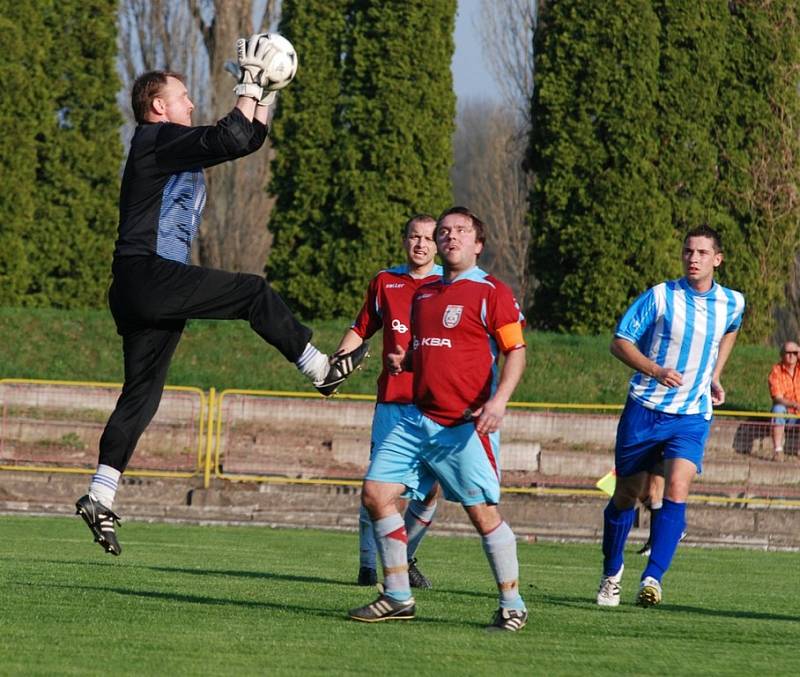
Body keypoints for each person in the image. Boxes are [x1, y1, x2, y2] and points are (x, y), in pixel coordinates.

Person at [75, 35, 367, 556]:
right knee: (253, 292)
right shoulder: (154, 137)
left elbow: (245, 140)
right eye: (182, 95)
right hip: (149, 275)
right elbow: (230, 132)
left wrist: (267, 92)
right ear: (158, 106)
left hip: (138, 285)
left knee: (141, 395)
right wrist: (249, 83)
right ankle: (319, 369)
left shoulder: (169, 145)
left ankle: (101, 492)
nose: (190, 102)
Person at [348, 206, 529, 632]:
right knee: (376, 493)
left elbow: (515, 351)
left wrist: (499, 401)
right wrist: (403, 358)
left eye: (461, 231)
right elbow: (429, 347)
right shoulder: (425, 295)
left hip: (462, 426)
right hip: (415, 420)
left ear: (478, 244)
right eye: (444, 231)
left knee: (481, 513)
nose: (450, 237)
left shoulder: (492, 292)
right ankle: (396, 595)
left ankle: (513, 604)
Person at [596, 224, 745, 608]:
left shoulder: (733, 301)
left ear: (717, 259)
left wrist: (714, 374)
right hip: (645, 409)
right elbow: (620, 341)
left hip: (692, 414)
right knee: (627, 495)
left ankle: (652, 578)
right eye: (688, 251)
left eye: (701, 253)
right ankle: (612, 572)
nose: (692, 258)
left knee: (678, 488)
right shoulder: (661, 296)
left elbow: (731, 328)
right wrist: (654, 370)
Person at [335, 215, 442, 589]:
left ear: (438, 244)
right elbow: (362, 328)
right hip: (393, 402)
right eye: (415, 236)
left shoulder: (450, 284)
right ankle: (368, 565)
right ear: (405, 240)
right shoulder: (385, 282)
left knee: (431, 488)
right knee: (380, 487)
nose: (421, 244)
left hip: (435, 404)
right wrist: (338, 362)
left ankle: (404, 555)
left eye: (429, 238)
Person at [767, 341, 800, 462]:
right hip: (787, 412)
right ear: (782, 354)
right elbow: (777, 398)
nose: (791, 356)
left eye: (795, 353)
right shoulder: (776, 371)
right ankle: (778, 450)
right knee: (778, 409)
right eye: (788, 352)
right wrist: (795, 405)